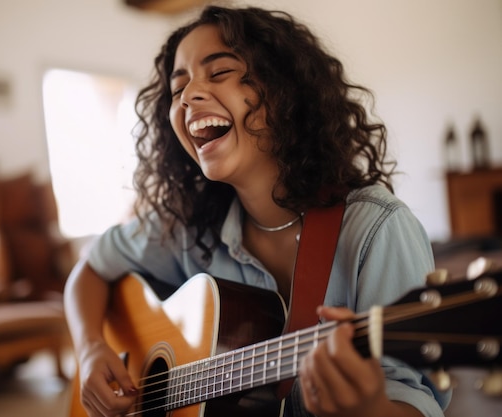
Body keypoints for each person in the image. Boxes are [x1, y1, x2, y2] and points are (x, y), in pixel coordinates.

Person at [64, 5, 450, 417]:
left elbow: (414, 399)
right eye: (178, 90)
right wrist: (90, 350)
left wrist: (369, 407)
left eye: (219, 72)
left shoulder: (377, 229)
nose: (189, 95)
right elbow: (90, 270)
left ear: (285, 89)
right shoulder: (188, 228)